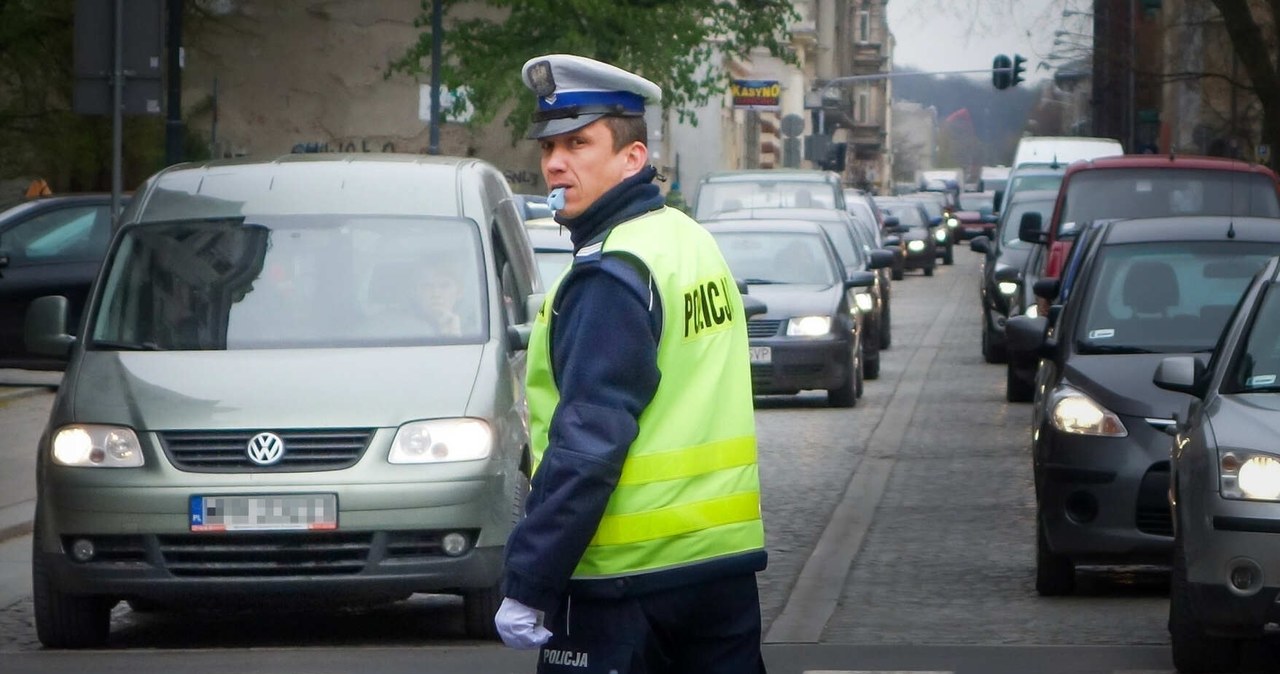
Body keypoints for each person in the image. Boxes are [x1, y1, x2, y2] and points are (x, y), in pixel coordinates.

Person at [495, 53, 768, 673]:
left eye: (578, 144)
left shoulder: (611, 273)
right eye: (549, 148)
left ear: (632, 158)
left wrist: (530, 580)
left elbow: (588, 444)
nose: (555, 163)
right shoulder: (687, 239)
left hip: (626, 583)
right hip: (719, 570)